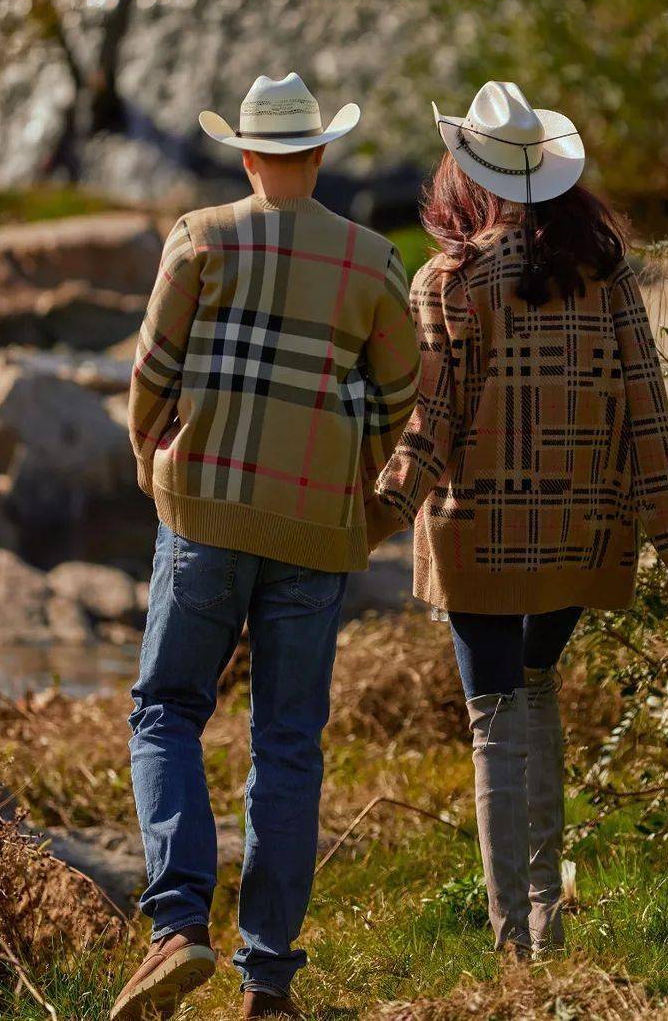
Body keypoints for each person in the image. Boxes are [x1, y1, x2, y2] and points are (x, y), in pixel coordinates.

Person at [366, 81, 668, 958]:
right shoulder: (606, 271)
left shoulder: (448, 281)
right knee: (539, 691)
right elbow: (647, 405)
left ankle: (515, 942)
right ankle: (547, 925)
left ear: (466, 174)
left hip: (478, 527)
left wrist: (376, 513)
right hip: (582, 526)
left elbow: (428, 421)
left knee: (492, 718)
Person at [114, 73, 420, 1021]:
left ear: (245, 154)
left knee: (167, 708)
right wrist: (358, 510)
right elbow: (400, 398)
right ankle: (269, 979)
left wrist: (153, 462)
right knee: (287, 743)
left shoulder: (199, 237)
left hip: (202, 512)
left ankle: (176, 926)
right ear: (319, 155)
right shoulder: (373, 261)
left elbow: (151, 371)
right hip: (315, 533)